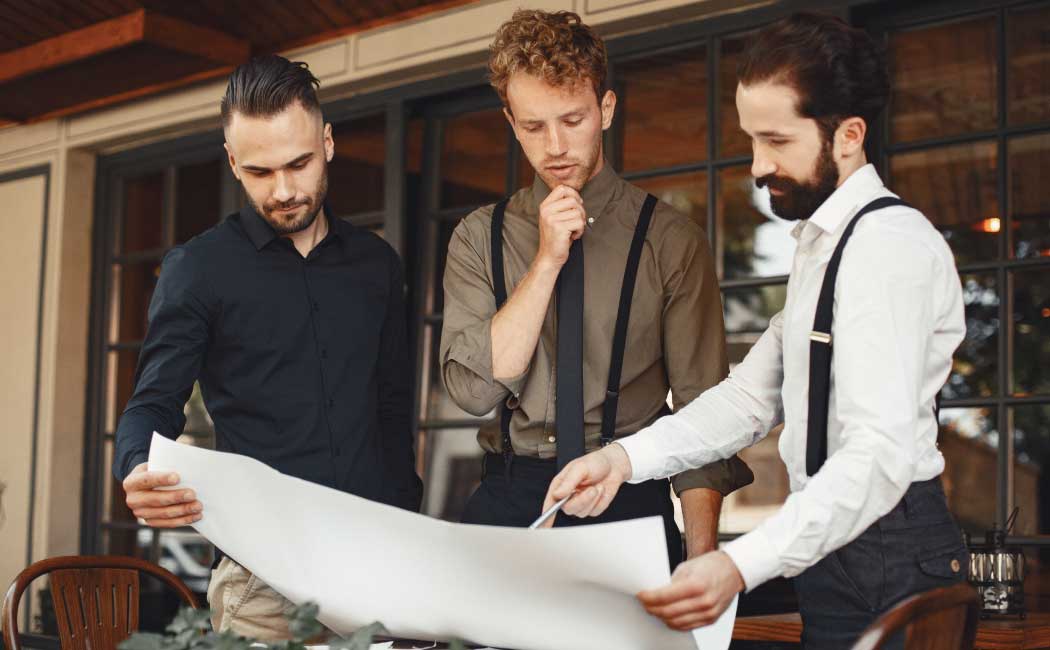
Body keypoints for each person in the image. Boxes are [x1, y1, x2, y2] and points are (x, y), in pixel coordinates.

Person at [542, 12, 968, 649]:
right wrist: (622, 459)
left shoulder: (888, 248)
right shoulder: (819, 250)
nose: (756, 165)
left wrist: (740, 563)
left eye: (776, 140)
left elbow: (878, 458)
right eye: (750, 140)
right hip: (834, 546)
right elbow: (747, 399)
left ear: (848, 135)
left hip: (891, 551)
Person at [113, 54, 422, 640]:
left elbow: (390, 412)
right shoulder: (197, 270)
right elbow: (150, 405)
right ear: (232, 161)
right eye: (259, 172)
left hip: (376, 564)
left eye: (299, 163)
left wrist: (406, 537)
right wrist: (134, 468)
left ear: (327, 143)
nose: (284, 191)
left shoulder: (377, 266)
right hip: (260, 583)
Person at [440, 9, 752, 568]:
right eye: (533, 126)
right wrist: (545, 261)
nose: (555, 146)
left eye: (573, 119)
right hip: (511, 498)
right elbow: (473, 392)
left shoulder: (670, 240)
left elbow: (704, 413)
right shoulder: (476, 237)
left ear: (605, 110)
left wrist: (701, 562)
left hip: (628, 498)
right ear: (511, 121)